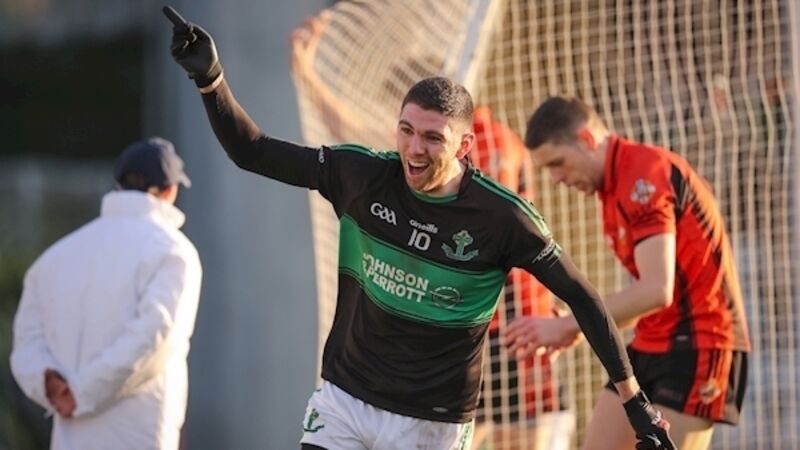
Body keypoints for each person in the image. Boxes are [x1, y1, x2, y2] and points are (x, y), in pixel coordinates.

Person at [162, 6, 674, 450]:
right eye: (406, 130)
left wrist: (634, 401)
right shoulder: (362, 175)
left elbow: (584, 298)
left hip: (433, 422)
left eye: (432, 138)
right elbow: (252, 151)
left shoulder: (504, 217)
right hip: (345, 400)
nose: (414, 148)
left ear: (465, 146)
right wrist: (211, 81)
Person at [511, 96, 751, 450]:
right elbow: (650, 298)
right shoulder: (612, 189)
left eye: (558, 163)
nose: (557, 179)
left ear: (587, 139)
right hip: (651, 340)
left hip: (700, 345)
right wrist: (582, 327)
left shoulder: (643, 172)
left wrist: (568, 324)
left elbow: (656, 289)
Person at [10, 137, 202, 450]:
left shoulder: (54, 258)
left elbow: (26, 346)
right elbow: (155, 339)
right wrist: (82, 392)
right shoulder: (174, 252)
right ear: (170, 191)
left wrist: (55, 388)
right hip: (139, 436)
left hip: (69, 438)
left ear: (118, 185)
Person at [470, 106, 574, 450]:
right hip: (485, 323)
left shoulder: (489, 139)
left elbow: (497, 222)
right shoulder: (444, 140)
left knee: (522, 434)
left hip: (512, 321)